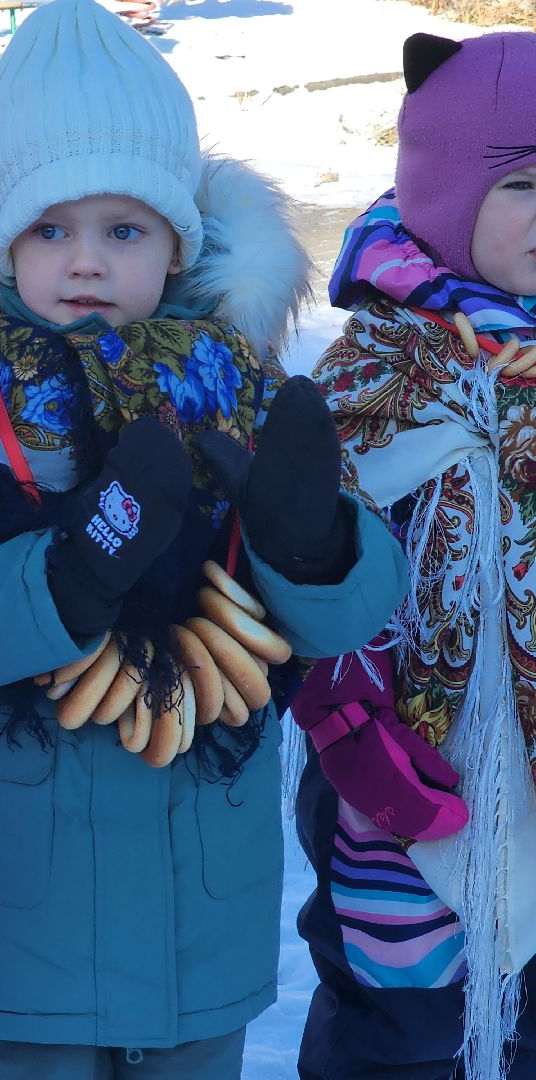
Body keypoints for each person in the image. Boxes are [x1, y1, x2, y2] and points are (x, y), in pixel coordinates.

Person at [0, 1, 408, 1076]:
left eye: (124, 229)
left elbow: (357, 608)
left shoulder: (239, 391)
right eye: (51, 228)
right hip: (21, 910)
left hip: (201, 894)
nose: (86, 261)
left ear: (180, 242)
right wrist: (69, 571)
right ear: (3, 240)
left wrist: (309, 541)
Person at [297, 30, 536, 1080]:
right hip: (407, 784)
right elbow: (302, 563)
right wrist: (348, 712)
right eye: (526, 183)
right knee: (398, 1033)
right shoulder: (369, 385)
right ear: (446, 191)